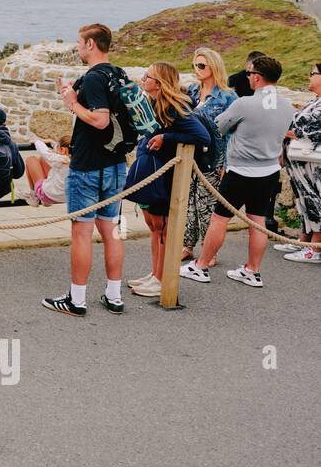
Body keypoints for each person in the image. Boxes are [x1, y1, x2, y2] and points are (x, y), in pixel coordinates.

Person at [180, 56, 296, 289]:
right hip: (269, 170)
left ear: (256, 77)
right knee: (257, 221)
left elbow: (220, 126)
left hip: (241, 170)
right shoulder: (287, 105)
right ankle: (252, 270)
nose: (247, 77)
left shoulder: (244, 104)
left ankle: (201, 266)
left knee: (219, 219)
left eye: (249, 73)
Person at [39, 24, 129, 317]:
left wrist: (73, 103)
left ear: (91, 44)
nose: (77, 48)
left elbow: (100, 121)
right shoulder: (118, 74)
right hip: (115, 165)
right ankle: (114, 296)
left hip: (88, 166)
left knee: (82, 233)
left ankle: (76, 300)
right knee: (113, 232)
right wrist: (72, 97)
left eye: (79, 43)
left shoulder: (92, 79)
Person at [124, 64, 210, 299]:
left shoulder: (176, 107)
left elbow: (203, 137)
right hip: (152, 168)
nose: (143, 79)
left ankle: (162, 279)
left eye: (148, 77)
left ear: (160, 82)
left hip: (165, 172)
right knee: (153, 226)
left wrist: (167, 137)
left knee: (161, 228)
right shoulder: (153, 102)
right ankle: (154, 273)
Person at [180, 47, 238, 262]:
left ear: (214, 66)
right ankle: (187, 245)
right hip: (188, 156)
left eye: (201, 65)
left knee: (206, 206)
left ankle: (208, 251)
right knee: (187, 203)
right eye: (195, 65)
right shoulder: (192, 92)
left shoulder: (228, 97)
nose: (197, 69)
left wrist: (227, 163)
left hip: (213, 158)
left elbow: (233, 133)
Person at [276, 60, 321, 262]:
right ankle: (304, 241)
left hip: (312, 163)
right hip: (300, 162)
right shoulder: (315, 100)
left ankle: (315, 249)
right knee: (304, 200)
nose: (309, 76)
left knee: (314, 201)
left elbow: (310, 131)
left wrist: (286, 132)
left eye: (313, 73)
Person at [23, 135, 71, 206]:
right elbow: (62, 150)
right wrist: (52, 142)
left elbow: (44, 152)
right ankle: (44, 199)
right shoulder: (76, 160)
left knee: (31, 159)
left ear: (63, 150)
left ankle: (33, 196)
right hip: (66, 197)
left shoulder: (60, 159)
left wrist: (37, 141)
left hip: (48, 196)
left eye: (58, 147)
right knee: (42, 160)